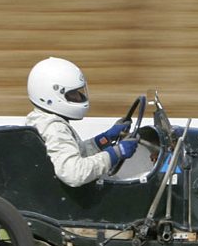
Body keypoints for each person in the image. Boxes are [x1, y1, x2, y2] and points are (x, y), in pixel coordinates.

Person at [26, 57, 138, 188]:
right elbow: (74, 174)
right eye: (73, 94)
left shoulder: (40, 119)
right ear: (51, 96)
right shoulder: (54, 128)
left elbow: (72, 154)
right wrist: (115, 153)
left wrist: (104, 139)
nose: (79, 97)